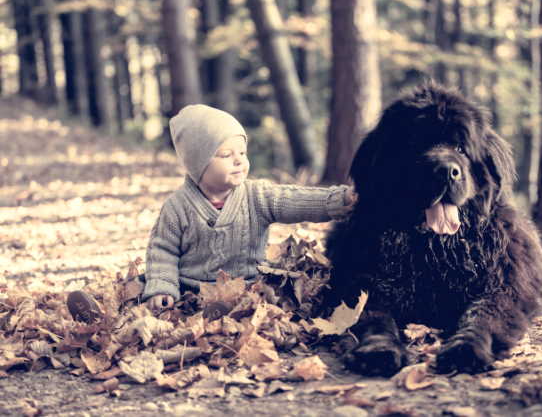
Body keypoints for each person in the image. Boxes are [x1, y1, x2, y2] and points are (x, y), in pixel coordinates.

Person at [67, 105, 355, 323]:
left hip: (246, 283)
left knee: (275, 291)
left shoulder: (257, 196)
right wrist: (162, 287)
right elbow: (162, 251)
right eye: (226, 155)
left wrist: (339, 200)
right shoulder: (178, 206)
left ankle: (222, 313)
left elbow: (295, 200)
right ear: (198, 164)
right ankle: (100, 315)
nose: (239, 160)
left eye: (242, 152)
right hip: (186, 286)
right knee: (140, 287)